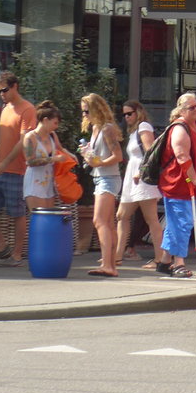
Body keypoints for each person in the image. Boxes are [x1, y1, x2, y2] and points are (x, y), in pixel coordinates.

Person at [0, 70, 37, 265]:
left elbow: (23, 142)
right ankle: (2, 245)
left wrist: (4, 162)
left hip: (17, 171)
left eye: (4, 90)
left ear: (15, 86)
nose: (2, 94)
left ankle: (17, 254)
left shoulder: (27, 109)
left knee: (17, 213)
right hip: (0, 168)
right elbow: (5, 139)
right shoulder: (6, 108)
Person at [157, 92, 196, 278]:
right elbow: (182, 156)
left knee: (180, 223)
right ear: (181, 110)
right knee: (182, 223)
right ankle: (178, 263)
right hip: (181, 185)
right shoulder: (180, 128)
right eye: (192, 107)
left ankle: (165, 261)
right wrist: (194, 179)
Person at [0, 100, 70, 212]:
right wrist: (53, 159)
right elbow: (30, 161)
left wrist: (71, 156)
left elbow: (60, 149)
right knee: (40, 216)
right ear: (45, 120)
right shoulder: (30, 137)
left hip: (48, 183)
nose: (56, 126)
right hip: (35, 183)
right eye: (55, 123)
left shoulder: (52, 135)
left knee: (49, 216)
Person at [79, 94, 123, 277]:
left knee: (99, 221)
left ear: (96, 109)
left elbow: (118, 156)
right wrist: (89, 155)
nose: (84, 115)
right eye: (83, 112)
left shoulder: (106, 128)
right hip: (102, 177)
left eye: (87, 111)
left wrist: (99, 163)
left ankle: (107, 265)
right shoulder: (97, 128)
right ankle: (111, 265)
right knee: (108, 223)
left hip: (108, 178)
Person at [116, 100, 163, 268]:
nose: (126, 117)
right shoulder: (134, 131)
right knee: (122, 215)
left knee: (151, 218)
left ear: (138, 112)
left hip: (142, 177)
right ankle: (117, 256)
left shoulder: (144, 126)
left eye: (129, 113)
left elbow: (150, 151)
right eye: (124, 114)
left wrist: (141, 172)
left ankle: (160, 259)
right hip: (132, 178)